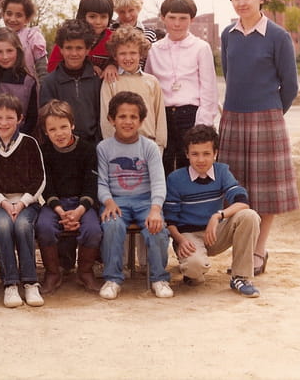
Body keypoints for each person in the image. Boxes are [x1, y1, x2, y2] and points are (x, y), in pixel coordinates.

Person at [218, 0, 299, 276]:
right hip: (233, 117)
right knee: (236, 188)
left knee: (265, 193)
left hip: (267, 119)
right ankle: (241, 250)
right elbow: (230, 76)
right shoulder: (228, 35)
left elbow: (290, 86)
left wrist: (271, 114)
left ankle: (258, 251)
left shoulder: (278, 36)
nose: (241, 2)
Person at [164, 125, 261, 297]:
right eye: (195, 154)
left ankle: (240, 277)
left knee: (249, 216)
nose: (201, 159)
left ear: (215, 153)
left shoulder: (222, 171)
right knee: (195, 269)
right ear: (187, 154)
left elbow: (242, 202)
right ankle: (192, 272)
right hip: (188, 236)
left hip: (215, 233)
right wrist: (180, 240)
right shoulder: (175, 179)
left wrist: (217, 216)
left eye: (206, 153)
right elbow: (170, 221)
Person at [97, 91, 172, 300]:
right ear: (111, 119)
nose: (128, 122)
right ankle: (113, 279)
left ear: (141, 120)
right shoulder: (104, 148)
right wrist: (108, 202)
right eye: (122, 116)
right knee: (112, 225)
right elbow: (101, 182)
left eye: (133, 117)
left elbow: (158, 182)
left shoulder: (149, 147)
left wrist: (155, 209)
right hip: (116, 201)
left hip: (145, 201)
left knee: (157, 228)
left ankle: (159, 278)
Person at [0, 95, 45, 308]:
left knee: (23, 225)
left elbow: (40, 178)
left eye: (10, 117)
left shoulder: (29, 143)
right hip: (0, 204)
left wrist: (23, 203)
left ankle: (30, 282)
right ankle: (10, 284)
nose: (4, 122)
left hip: (27, 202)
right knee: (4, 225)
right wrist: (4, 204)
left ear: (20, 119)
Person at [145, 0, 218, 175]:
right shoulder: (154, 50)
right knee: (164, 163)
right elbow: (149, 87)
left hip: (191, 114)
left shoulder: (201, 48)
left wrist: (203, 125)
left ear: (192, 19)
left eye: (183, 18)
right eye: (172, 18)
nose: (177, 24)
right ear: (163, 18)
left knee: (190, 165)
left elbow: (209, 90)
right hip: (163, 116)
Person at [35, 100, 102, 294]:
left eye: (63, 127)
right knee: (44, 226)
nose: (59, 133)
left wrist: (79, 211)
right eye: (52, 129)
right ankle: (53, 273)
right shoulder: (44, 151)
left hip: (82, 204)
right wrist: (61, 211)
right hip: (55, 204)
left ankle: (85, 272)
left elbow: (91, 185)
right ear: (46, 132)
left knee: (93, 229)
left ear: (72, 125)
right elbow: (46, 187)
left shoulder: (87, 149)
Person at [100, 26, 167, 154]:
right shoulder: (111, 81)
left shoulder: (152, 82)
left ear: (141, 54)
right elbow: (106, 119)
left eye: (133, 53)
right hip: (120, 148)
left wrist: (160, 146)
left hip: (149, 147)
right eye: (122, 53)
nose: (128, 58)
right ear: (115, 56)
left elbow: (160, 117)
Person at [40, 20, 101, 142]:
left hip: (92, 145)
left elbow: (102, 116)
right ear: (61, 49)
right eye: (69, 48)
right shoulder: (49, 82)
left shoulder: (97, 80)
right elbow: (46, 120)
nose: (74, 53)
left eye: (79, 48)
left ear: (87, 50)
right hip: (60, 145)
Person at [47, 0, 115, 77]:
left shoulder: (113, 40)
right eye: (92, 16)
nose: (98, 22)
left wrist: (112, 65)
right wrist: (87, 69)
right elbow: (52, 68)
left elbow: (122, 58)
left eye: (103, 17)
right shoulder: (69, 37)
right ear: (83, 16)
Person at [0, 27, 38, 135]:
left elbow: (32, 118)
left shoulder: (29, 81)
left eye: (9, 51)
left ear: (18, 51)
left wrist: (18, 139)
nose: (5, 56)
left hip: (20, 137)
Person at [0, 0, 47, 81]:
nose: (12, 19)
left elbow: (42, 69)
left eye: (18, 15)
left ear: (27, 18)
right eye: (9, 14)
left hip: (27, 88)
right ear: (3, 14)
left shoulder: (32, 37)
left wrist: (44, 87)